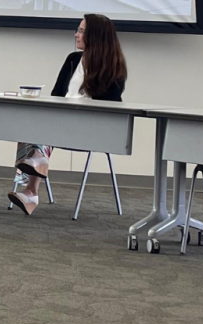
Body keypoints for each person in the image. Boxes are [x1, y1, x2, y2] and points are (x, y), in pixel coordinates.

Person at [9, 14, 128, 215]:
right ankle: (32, 186)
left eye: (82, 31)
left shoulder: (114, 68)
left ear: (96, 36)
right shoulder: (73, 60)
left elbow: (110, 109)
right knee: (31, 123)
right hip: (60, 123)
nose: (76, 35)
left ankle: (32, 185)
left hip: (90, 128)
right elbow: (56, 96)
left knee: (41, 132)